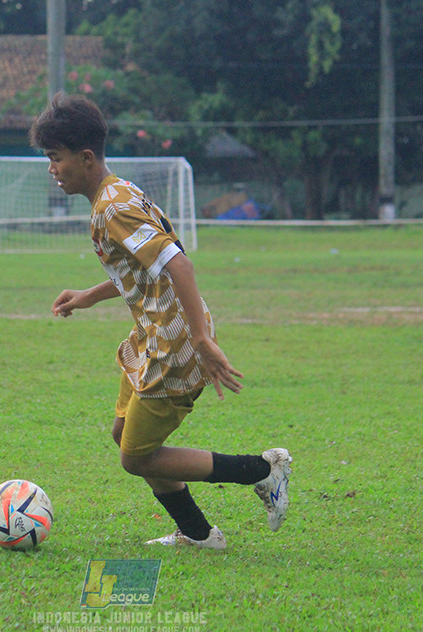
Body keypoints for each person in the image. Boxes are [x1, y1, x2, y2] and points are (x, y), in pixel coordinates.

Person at [30, 94, 291, 549]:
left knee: (136, 457)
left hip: (176, 341)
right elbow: (142, 270)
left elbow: (180, 266)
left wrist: (202, 339)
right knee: (123, 434)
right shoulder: (117, 193)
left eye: (56, 158)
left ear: (85, 157)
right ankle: (198, 534)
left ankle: (262, 471)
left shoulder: (113, 208)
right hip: (151, 334)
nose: (52, 168)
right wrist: (89, 296)